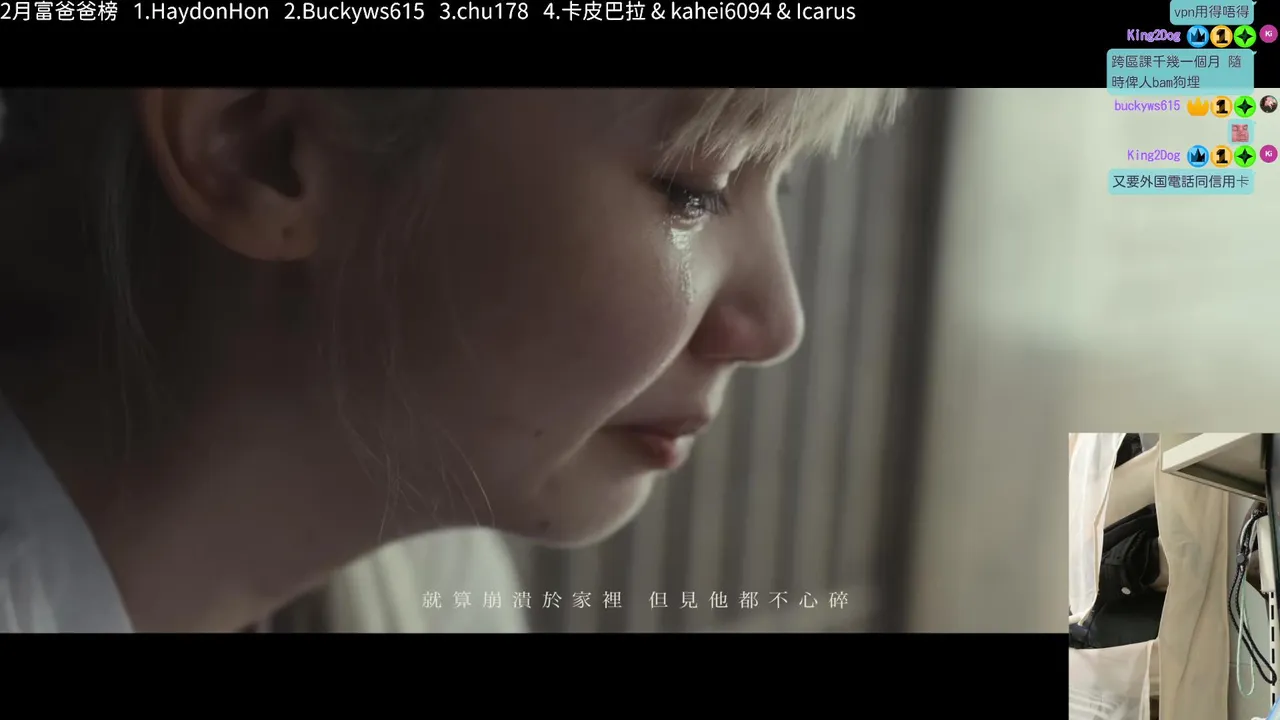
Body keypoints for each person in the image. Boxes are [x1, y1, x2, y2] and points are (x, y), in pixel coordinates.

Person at [0, 88, 905, 633]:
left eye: (781, 183)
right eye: (693, 188)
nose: (776, 324)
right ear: (262, 152)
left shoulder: (438, 592)